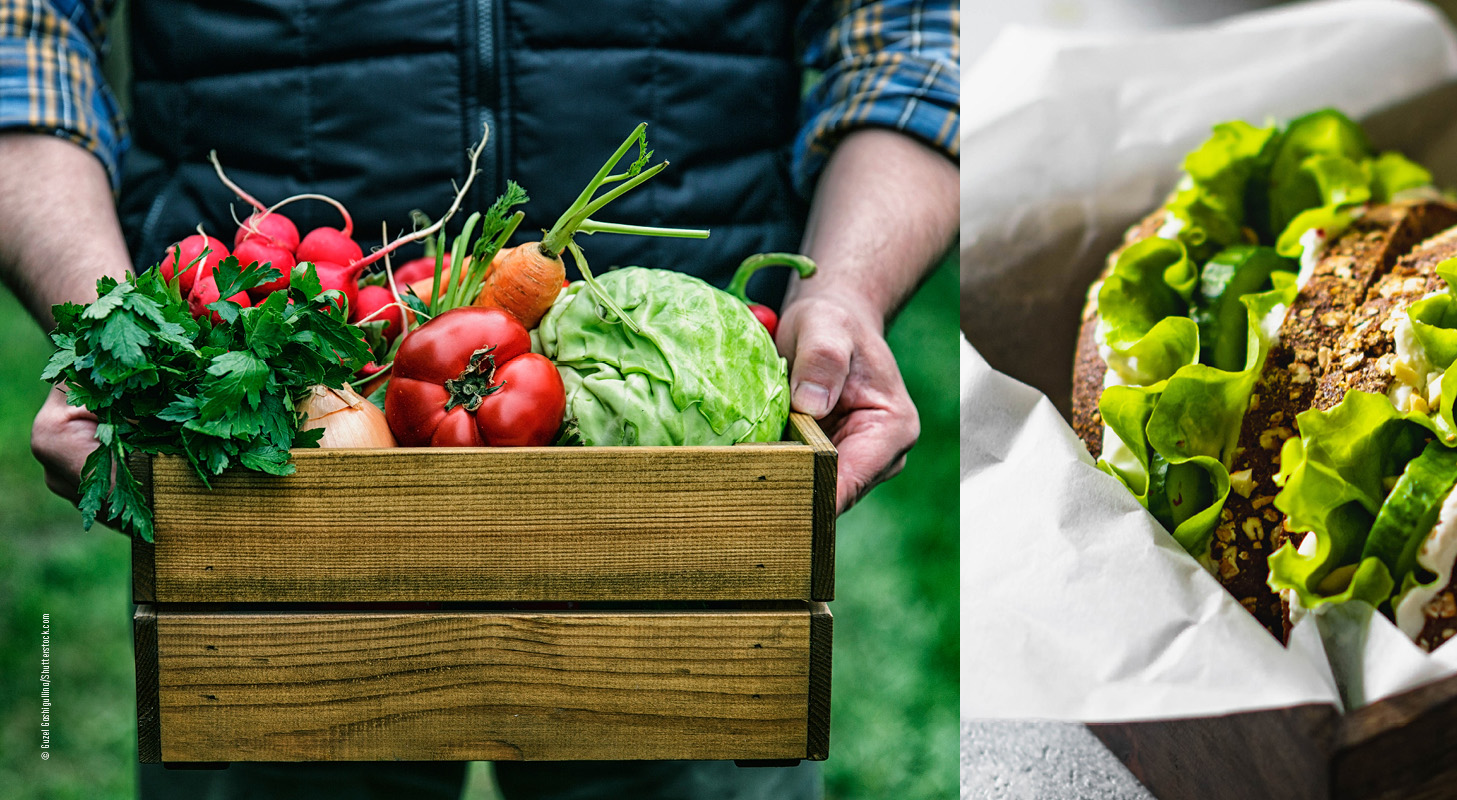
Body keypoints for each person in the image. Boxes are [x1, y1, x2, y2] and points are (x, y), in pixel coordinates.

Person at [0, 0, 956, 797]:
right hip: (261, 471)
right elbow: (25, 31)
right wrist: (108, 325)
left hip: (674, 482)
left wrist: (845, 293)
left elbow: (909, 42)